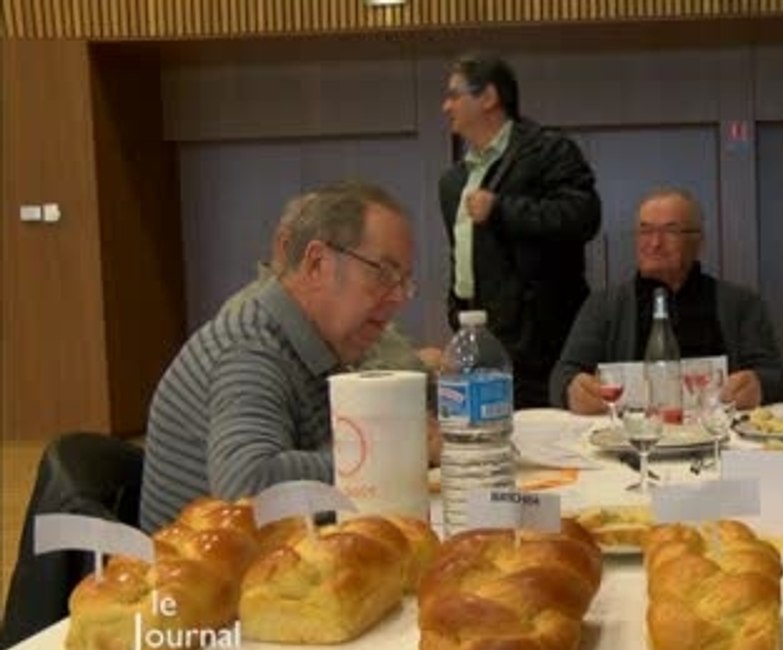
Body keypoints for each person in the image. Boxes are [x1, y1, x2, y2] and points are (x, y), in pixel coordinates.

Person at [139, 182, 436, 532]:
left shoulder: (328, 340)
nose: (398, 297)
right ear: (317, 263)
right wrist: (394, 452)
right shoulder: (249, 348)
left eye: (404, 282)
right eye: (383, 274)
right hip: (201, 577)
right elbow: (248, 487)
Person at [439, 52, 602, 409]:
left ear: (488, 97)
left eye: (454, 95)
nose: (445, 106)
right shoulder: (453, 182)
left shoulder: (548, 150)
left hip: (542, 343)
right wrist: (455, 311)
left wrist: (502, 209)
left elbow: (583, 216)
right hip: (477, 336)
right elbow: (461, 259)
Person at [550, 187, 783, 413]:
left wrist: (759, 385)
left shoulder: (742, 303)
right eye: (645, 231)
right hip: (631, 440)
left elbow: (776, 378)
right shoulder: (603, 305)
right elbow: (562, 376)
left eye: (670, 231)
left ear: (698, 242)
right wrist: (572, 390)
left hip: (720, 439)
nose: (654, 243)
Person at [222, 192, 442, 374]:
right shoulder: (248, 335)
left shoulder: (348, 310)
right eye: (383, 273)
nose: (398, 297)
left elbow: (402, 360)